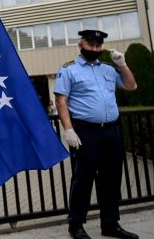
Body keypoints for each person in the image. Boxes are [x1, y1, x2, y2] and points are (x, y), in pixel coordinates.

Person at [54, 30, 138, 239]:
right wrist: (68, 129)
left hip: (110, 131)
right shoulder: (69, 70)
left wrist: (122, 65)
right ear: (80, 44)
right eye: (90, 45)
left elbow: (131, 85)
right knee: (83, 179)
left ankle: (110, 224)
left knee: (111, 179)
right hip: (85, 132)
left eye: (98, 46)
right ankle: (76, 225)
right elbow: (61, 101)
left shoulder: (109, 70)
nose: (94, 49)